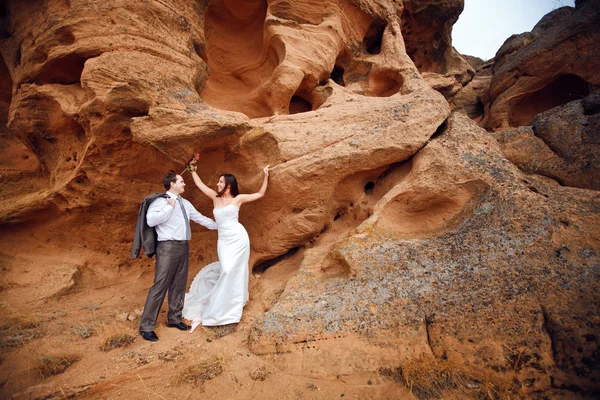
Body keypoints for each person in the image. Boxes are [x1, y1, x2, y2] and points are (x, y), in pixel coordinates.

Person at [182, 162, 269, 332]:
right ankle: (223, 300)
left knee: (235, 270)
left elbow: (260, 193)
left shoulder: (238, 199)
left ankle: (233, 303)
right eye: (218, 182)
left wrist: (266, 175)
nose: (218, 184)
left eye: (221, 182)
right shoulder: (215, 197)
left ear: (228, 185)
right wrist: (192, 170)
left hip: (239, 238)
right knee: (226, 269)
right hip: (223, 240)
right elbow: (200, 185)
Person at [139, 171, 218, 341]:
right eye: (181, 181)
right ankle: (146, 326)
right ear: (172, 184)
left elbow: (200, 218)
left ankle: (174, 318)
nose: (184, 184)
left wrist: (220, 225)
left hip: (183, 246)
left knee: (179, 283)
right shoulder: (160, 201)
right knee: (160, 284)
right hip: (167, 247)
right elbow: (151, 220)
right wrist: (169, 206)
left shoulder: (186, 203)